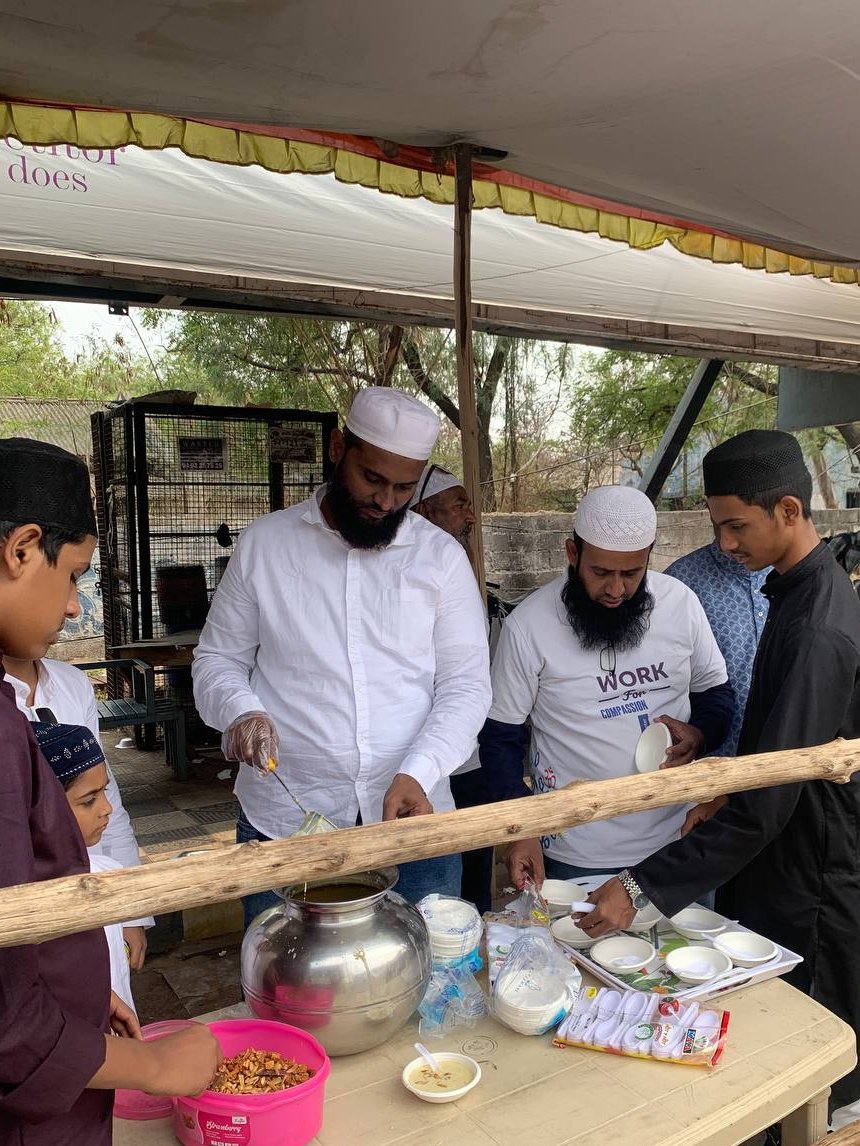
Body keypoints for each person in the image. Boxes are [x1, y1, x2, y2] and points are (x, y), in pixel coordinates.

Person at [580, 431, 860, 1112]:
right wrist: (724, 790)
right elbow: (774, 746)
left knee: (813, 1040)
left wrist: (639, 887)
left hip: (811, 863)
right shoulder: (795, 592)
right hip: (779, 844)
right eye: (717, 526)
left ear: (788, 510)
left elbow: (774, 794)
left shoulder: (817, 626)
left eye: (736, 526)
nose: (725, 543)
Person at [192, 388, 491, 925]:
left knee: (426, 968)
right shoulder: (266, 545)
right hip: (286, 821)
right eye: (372, 478)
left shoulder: (441, 558)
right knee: (286, 970)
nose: (386, 501)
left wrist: (419, 772)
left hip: (413, 821)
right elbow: (217, 659)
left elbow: (466, 686)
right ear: (337, 449)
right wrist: (241, 710)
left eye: (405, 487)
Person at [0, 437, 219, 1144]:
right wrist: (148, 1065)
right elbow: (8, 1021)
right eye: (73, 576)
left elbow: (100, 820)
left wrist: (93, 990)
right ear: (22, 549)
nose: (73, 609)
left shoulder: (56, 694)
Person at [480, 484, 734, 890]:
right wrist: (522, 829)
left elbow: (716, 695)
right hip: (576, 850)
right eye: (600, 573)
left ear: (649, 556)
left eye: (631, 573)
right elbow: (500, 739)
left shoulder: (681, 604)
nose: (616, 590)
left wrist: (699, 735)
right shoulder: (529, 626)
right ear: (572, 553)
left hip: (677, 838)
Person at [3, 653, 154, 968]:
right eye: (87, 802)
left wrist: (131, 913)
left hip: (99, 896)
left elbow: (103, 792)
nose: (72, 610)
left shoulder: (72, 682)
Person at [410, 464, 492, 913]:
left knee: (475, 869)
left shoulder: (457, 564)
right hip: (415, 768)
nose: (470, 516)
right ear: (424, 511)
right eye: (459, 505)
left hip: (468, 753)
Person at [32, 720, 138, 1014]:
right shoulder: (22, 900)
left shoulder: (104, 872)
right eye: (89, 800)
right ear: (39, 810)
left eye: (104, 792)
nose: (107, 808)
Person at [666, 538, 769, 755]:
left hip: (793, 756)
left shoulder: (796, 576)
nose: (727, 541)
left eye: (739, 526)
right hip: (715, 761)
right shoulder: (680, 584)